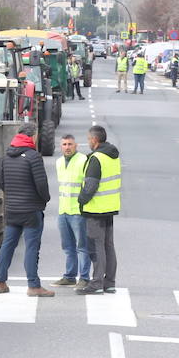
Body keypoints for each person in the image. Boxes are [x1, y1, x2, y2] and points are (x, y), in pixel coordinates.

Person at [0, 122, 53, 297]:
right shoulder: (33, 156)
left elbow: (1, 183)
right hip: (31, 210)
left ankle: (0, 281)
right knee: (32, 247)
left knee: (7, 245)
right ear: (33, 136)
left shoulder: (7, 156)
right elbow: (41, 184)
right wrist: (45, 199)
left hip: (12, 209)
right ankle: (33, 285)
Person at [77, 124, 121, 295]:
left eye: (88, 139)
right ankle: (109, 283)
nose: (88, 142)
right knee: (108, 246)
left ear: (94, 140)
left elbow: (90, 186)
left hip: (96, 209)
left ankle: (96, 284)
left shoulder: (96, 158)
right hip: (109, 207)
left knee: (96, 247)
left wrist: (81, 201)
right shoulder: (112, 156)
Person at [53, 134, 91, 288]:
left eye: (70, 144)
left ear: (76, 146)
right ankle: (69, 276)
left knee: (82, 247)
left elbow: (89, 185)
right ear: (60, 147)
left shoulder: (83, 160)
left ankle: (84, 278)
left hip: (78, 211)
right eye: (64, 144)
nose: (67, 147)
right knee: (68, 247)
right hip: (63, 211)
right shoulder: (59, 162)